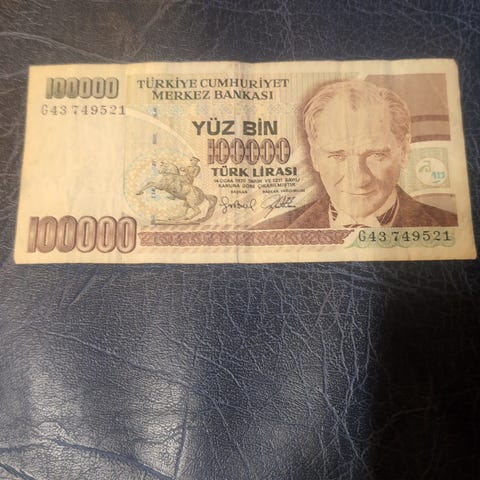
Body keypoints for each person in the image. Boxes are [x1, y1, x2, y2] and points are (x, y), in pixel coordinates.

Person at [255, 80, 457, 229]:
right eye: (337, 156)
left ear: (404, 150)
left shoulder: (451, 226)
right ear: (314, 155)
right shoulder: (269, 232)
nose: (358, 180)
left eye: (376, 155)